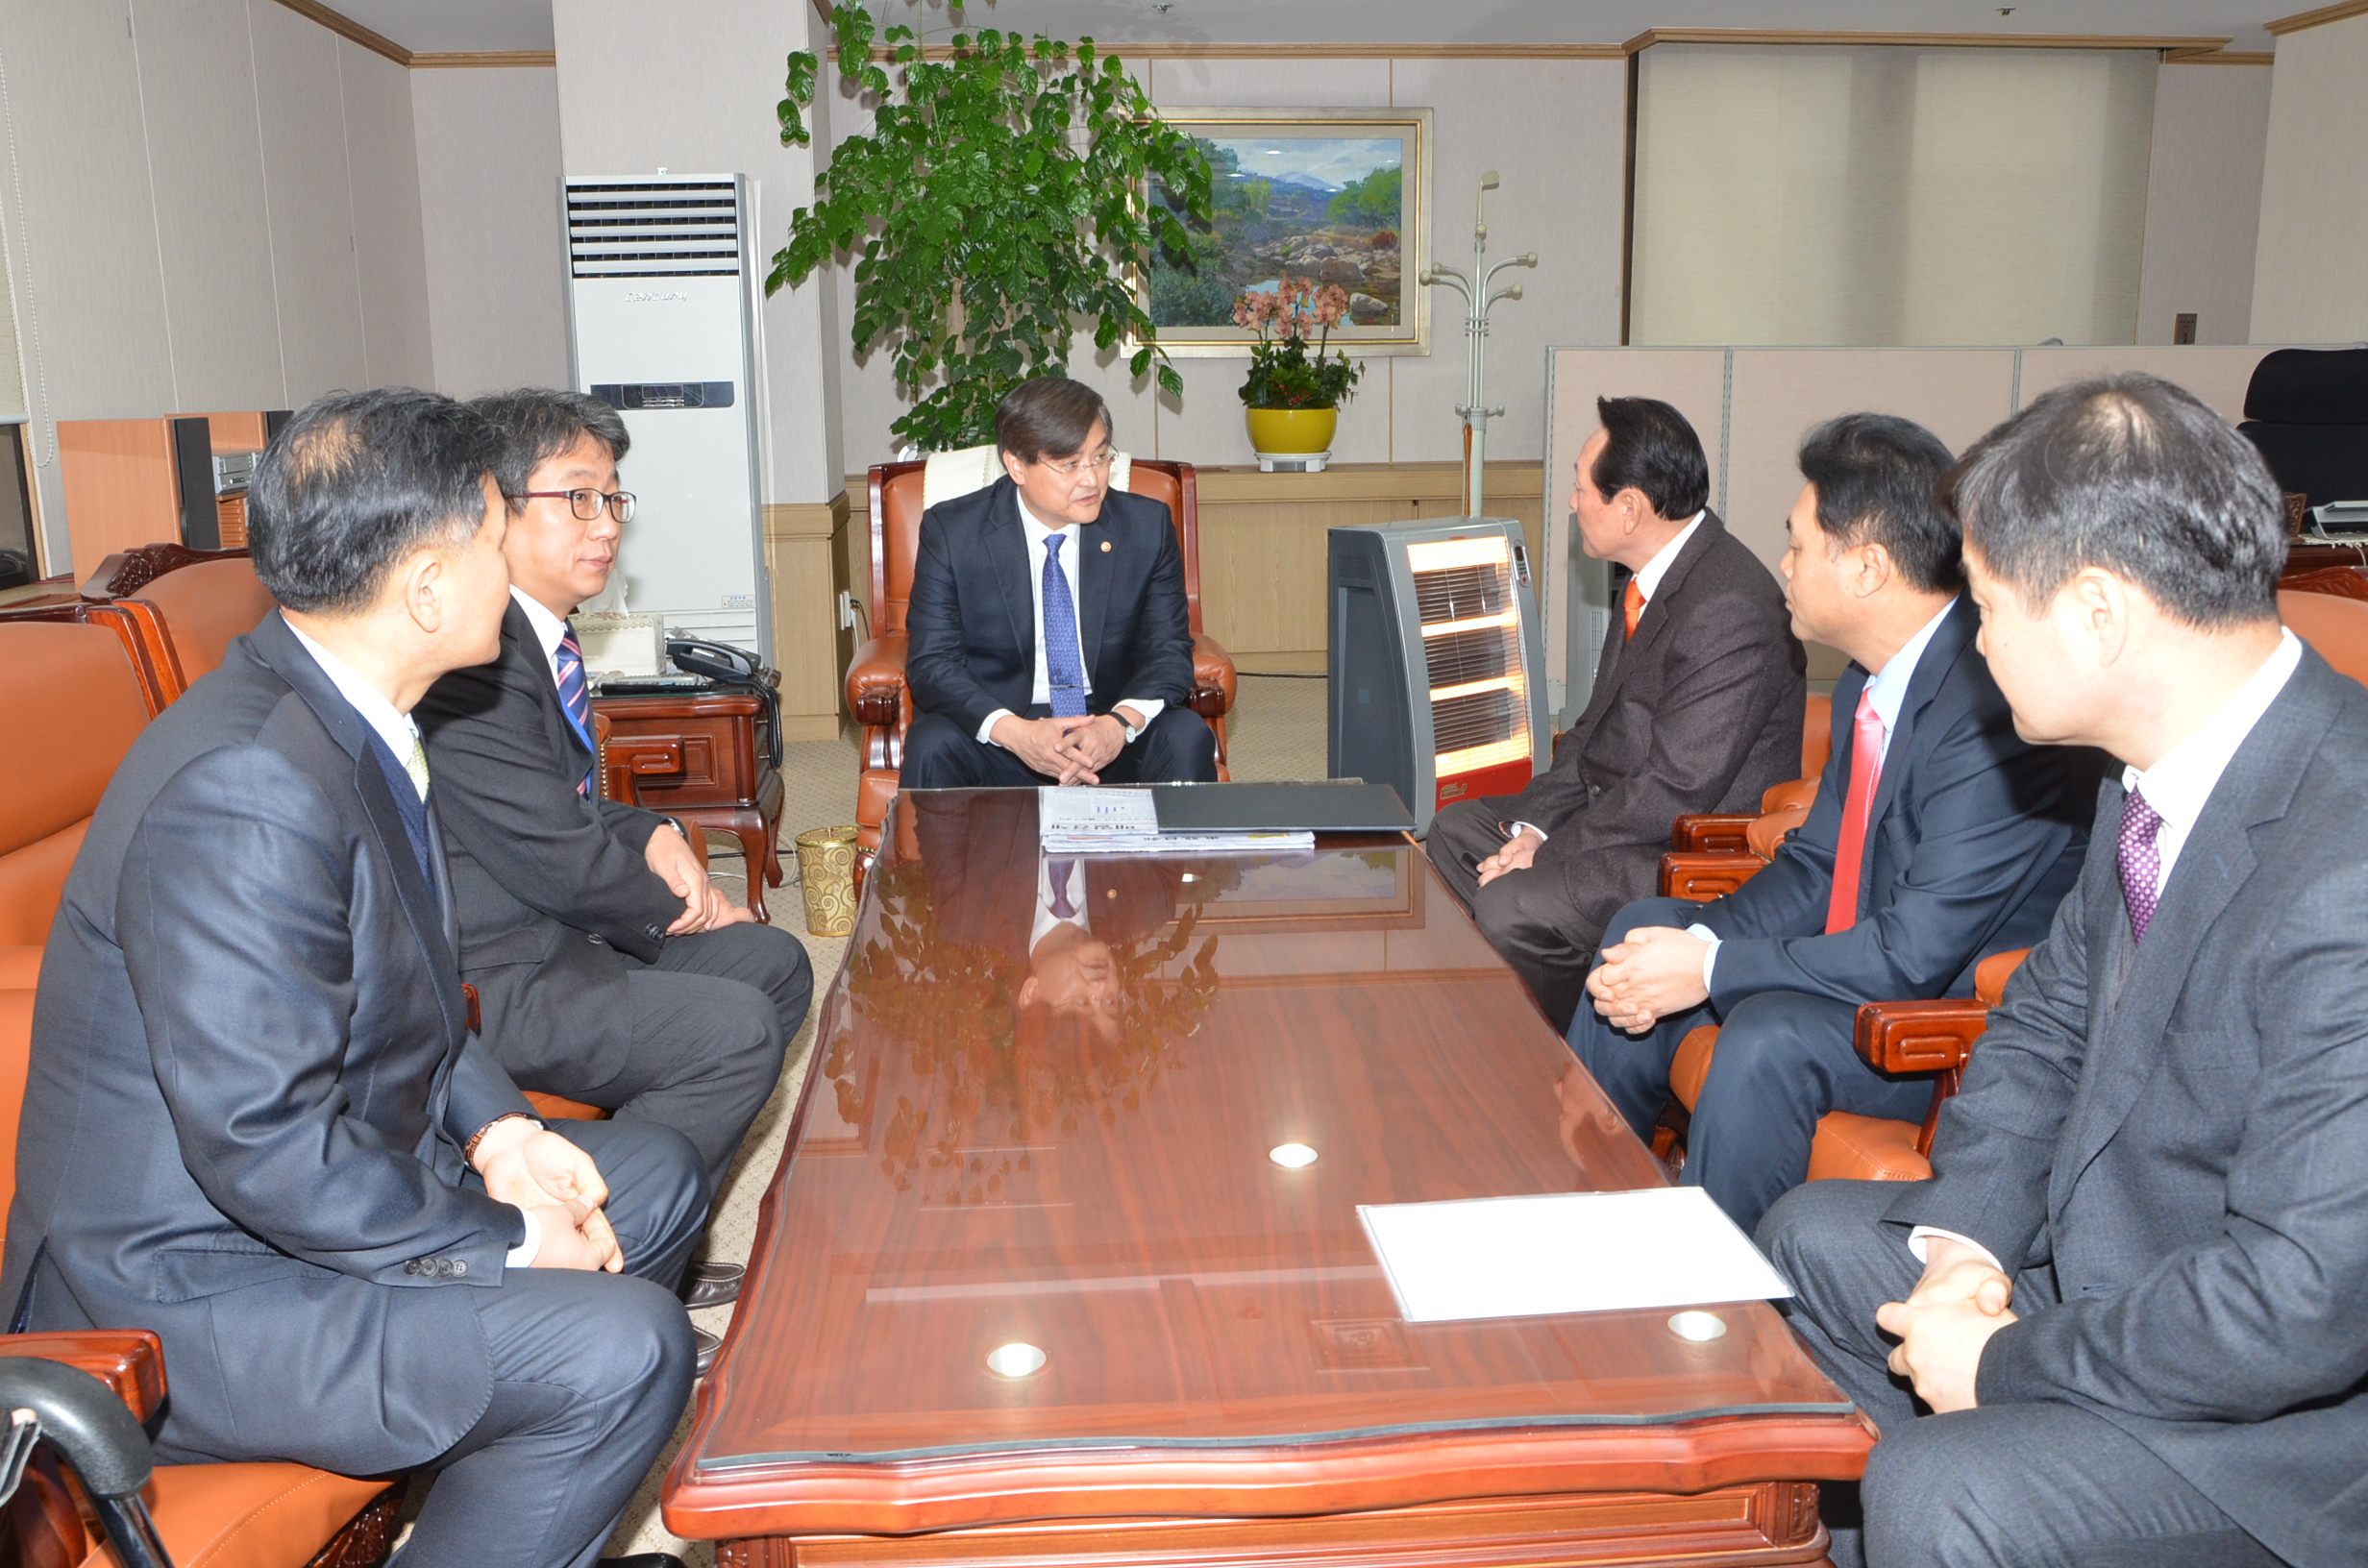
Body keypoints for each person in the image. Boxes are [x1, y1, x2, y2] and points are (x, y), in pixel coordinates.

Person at [2, 389, 705, 1568]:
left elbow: (410, 992)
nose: (512, 562)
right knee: (628, 1345)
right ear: (426, 587)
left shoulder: (344, 710)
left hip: (321, 1192)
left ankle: (528, 1508)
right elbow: (262, 1149)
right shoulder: (248, 787)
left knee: (655, 1179)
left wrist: (500, 1137)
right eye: (493, 534)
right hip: (189, 1292)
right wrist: (505, 1238)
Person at [1757, 373, 2368, 1568]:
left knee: (1947, 1484)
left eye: (1985, 608)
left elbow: (2297, 1304)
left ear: (2095, 612)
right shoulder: (2149, 773)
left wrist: (1998, 1362)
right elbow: (2041, 1032)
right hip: (2123, 1276)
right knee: (1809, 1245)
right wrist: (1966, 1254)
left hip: (2292, 1430)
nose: (1974, 647)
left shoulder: (2344, 862)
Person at [1574, 413, 2096, 1233]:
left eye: (1797, 545)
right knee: (1645, 928)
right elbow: (1819, 865)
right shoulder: (1870, 679)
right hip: (1859, 967)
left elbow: (1912, 955)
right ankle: (1584, 1205)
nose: (1779, 566)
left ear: (1866, 568)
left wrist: (1710, 973)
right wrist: (1697, 948)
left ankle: (1716, 1296)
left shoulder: (1994, 715)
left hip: (1943, 1024)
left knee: (1766, 1037)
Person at [415, 388, 810, 1322]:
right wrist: (677, 905)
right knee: (732, 1030)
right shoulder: (469, 652)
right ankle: (603, 1276)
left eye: (613, 500)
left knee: (775, 961)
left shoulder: (533, 633)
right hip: (488, 973)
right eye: (577, 498)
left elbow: (572, 805)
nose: (605, 525)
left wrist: (652, 832)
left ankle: (658, 1230)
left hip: (546, 927)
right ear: (492, 508)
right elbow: (547, 847)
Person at [1426, 396, 1805, 1031]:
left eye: (1580, 489)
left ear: (1629, 507)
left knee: (1512, 906)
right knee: (1456, 830)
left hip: (1679, 848)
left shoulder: (1728, 606)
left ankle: (1563, 1052)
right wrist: (1534, 830)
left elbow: (1675, 789)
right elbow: (1588, 736)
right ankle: (1557, 999)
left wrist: (1545, 854)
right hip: (1619, 815)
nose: (1573, 503)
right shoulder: (1651, 580)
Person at [898, 376, 1219, 790]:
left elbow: (1169, 653)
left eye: (1101, 458)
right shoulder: (954, 531)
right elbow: (931, 664)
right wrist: (1017, 734)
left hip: (1106, 728)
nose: (1091, 479)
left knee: (1186, 735)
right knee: (932, 743)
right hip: (1005, 735)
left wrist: (1117, 726)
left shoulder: (1145, 527)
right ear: (1017, 465)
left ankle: (1180, 857)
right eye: (1069, 464)